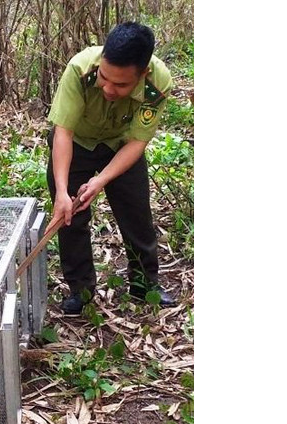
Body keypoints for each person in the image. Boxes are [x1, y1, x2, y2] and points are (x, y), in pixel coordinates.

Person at [46, 21, 177, 316]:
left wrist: (101, 180)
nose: (108, 88)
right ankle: (81, 291)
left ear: (142, 74)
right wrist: (62, 192)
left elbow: (137, 142)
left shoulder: (158, 83)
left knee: (136, 213)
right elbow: (63, 133)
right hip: (76, 142)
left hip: (121, 145)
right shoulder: (80, 69)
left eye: (120, 84)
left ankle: (145, 286)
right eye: (105, 78)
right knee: (69, 217)